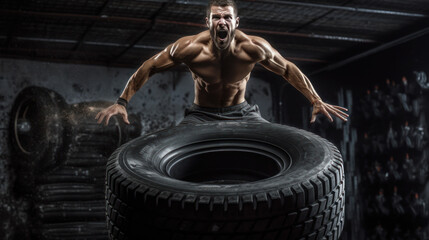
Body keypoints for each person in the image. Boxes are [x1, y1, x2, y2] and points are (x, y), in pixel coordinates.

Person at [96, 0, 348, 126]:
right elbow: (149, 66)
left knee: (275, 143)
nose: (221, 22)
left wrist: (315, 99)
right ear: (207, 22)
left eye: (227, 17)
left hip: (242, 113)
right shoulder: (189, 48)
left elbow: (288, 69)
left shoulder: (254, 48)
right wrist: (121, 102)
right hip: (200, 115)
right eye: (216, 17)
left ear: (236, 22)